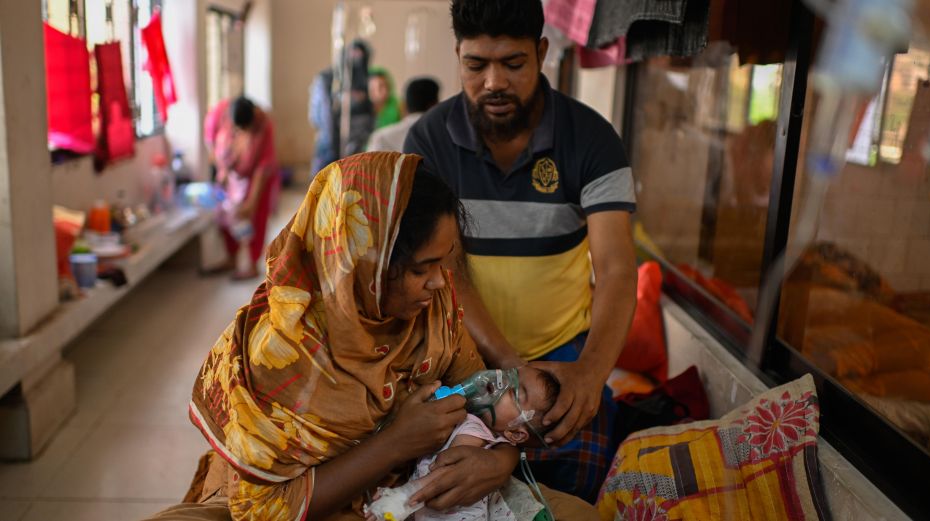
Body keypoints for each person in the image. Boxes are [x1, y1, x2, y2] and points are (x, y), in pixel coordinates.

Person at [143, 152, 598, 521]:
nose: (442, 284)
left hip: (417, 489)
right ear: (361, 266)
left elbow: (481, 398)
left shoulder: (431, 311)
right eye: (423, 269)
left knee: (579, 515)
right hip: (312, 505)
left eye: (446, 263)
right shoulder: (280, 355)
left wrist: (495, 464)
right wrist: (396, 443)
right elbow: (264, 510)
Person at [403, 0, 638, 502]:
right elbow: (447, 268)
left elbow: (617, 268)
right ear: (457, 57)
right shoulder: (429, 141)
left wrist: (591, 374)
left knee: (579, 467)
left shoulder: (593, 140)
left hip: (565, 356)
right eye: (476, 65)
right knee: (441, 480)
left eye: (512, 63)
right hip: (459, 353)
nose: (493, 82)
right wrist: (509, 370)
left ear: (542, 53)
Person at [365, 366, 560, 521]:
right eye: (511, 374)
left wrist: (400, 498)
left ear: (516, 433)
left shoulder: (473, 429)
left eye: (515, 393)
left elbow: (448, 473)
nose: (502, 381)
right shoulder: (485, 433)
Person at [203, 95, 280, 280]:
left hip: (257, 176)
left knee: (255, 215)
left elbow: (263, 167)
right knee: (227, 214)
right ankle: (231, 258)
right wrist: (222, 171)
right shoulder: (218, 115)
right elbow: (211, 145)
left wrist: (252, 201)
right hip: (231, 174)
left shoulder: (263, 123)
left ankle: (252, 264)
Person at [367, 77, 440, 153]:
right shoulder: (443, 136)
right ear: (435, 104)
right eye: (373, 89)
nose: (383, 92)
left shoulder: (380, 137)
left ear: (404, 105)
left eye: (383, 87)